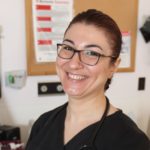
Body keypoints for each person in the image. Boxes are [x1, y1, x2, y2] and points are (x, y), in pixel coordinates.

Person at [25, 9, 150, 150]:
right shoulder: (43, 123)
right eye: (68, 47)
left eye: (91, 53)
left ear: (113, 66)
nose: (73, 63)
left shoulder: (132, 142)